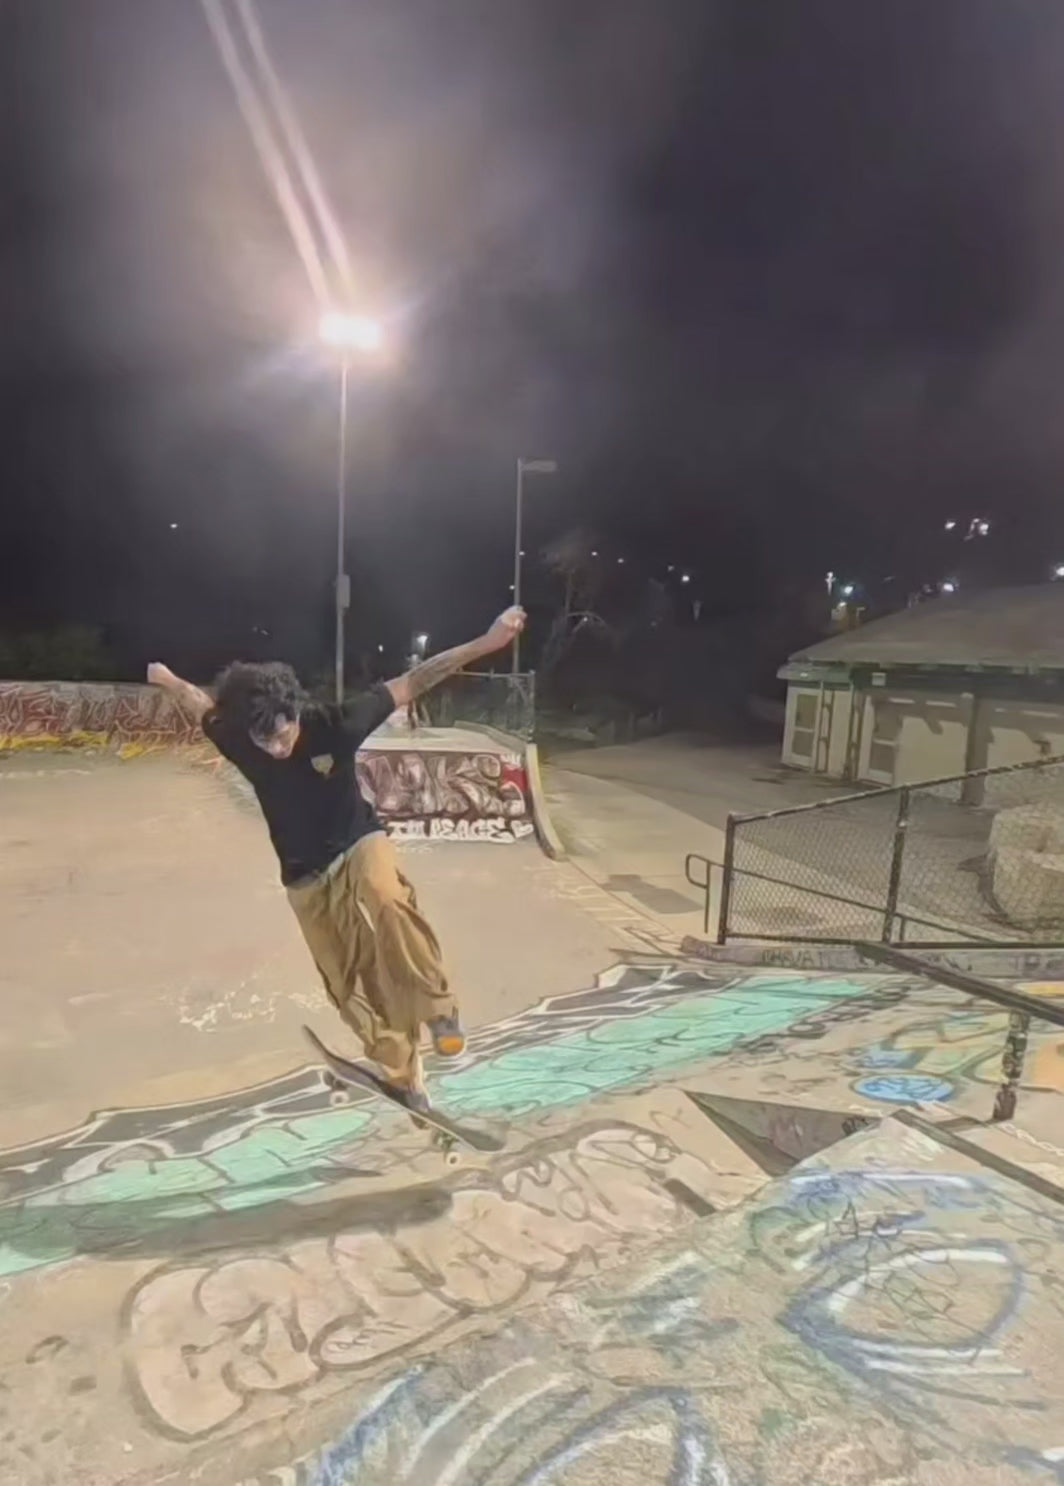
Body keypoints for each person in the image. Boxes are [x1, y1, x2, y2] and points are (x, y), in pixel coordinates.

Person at [147, 605, 526, 1112]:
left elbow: (414, 681)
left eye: (283, 734)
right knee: (347, 981)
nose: (277, 748)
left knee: (386, 898)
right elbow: (199, 703)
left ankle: (438, 1010)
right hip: (304, 876)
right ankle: (403, 1075)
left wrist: (486, 643)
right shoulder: (239, 735)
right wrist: (169, 678)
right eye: (266, 741)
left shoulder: (338, 722)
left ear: (297, 714)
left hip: (357, 843)